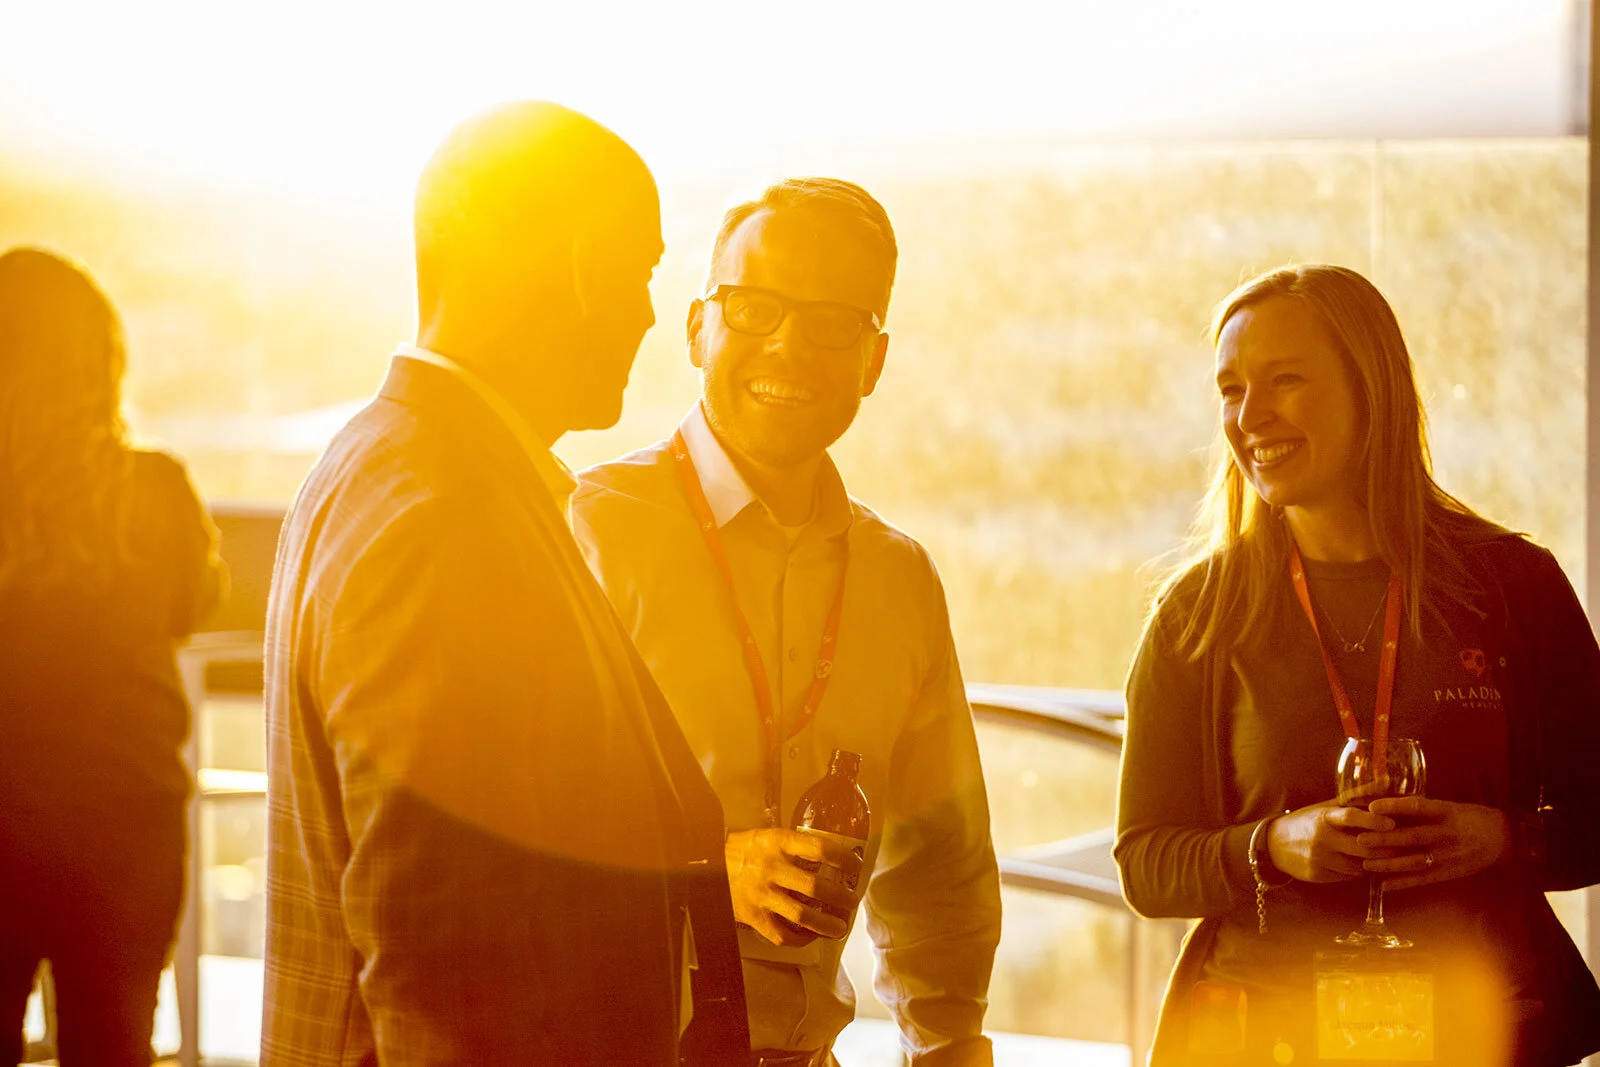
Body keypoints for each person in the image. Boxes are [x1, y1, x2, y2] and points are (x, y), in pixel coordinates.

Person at [260, 102, 748, 1066]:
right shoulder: (445, 519)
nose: (648, 313)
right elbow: (442, 977)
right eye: (641, 270)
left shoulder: (382, 464)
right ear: (577, 265)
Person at [1116, 263, 1600, 1066]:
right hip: (1267, 1039)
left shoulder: (1515, 586)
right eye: (1231, 390)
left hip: (1485, 1031)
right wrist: (1270, 847)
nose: (1250, 416)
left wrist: (1506, 838)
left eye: (1286, 381)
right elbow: (1145, 863)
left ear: (1371, 388)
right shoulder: (1196, 614)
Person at [573, 177, 1002, 1067]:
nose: (789, 344)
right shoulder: (593, 531)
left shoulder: (900, 577)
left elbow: (941, 870)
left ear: (875, 360)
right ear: (698, 329)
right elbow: (501, 825)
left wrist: (952, 1045)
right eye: (756, 306)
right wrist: (703, 868)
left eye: (833, 320)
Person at [0, 247, 224, 1065]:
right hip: (124, 833)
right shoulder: (155, 492)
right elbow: (188, 605)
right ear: (102, 362)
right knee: (113, 1041)